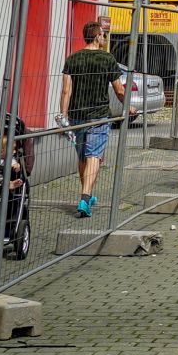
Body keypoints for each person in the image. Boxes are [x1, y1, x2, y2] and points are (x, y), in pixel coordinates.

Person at [59, 19, 126, 218]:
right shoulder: (107, 59)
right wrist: (127, 105)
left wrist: (63, 115)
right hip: (98, 116)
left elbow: (65, 91)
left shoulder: (72, 59)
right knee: (93, 155)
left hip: (77, 115)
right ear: (97, 36)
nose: (104, 38)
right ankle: (85, 197)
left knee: (82, 156)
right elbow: (119, 89)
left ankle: (87, 195)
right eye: (103, 35)